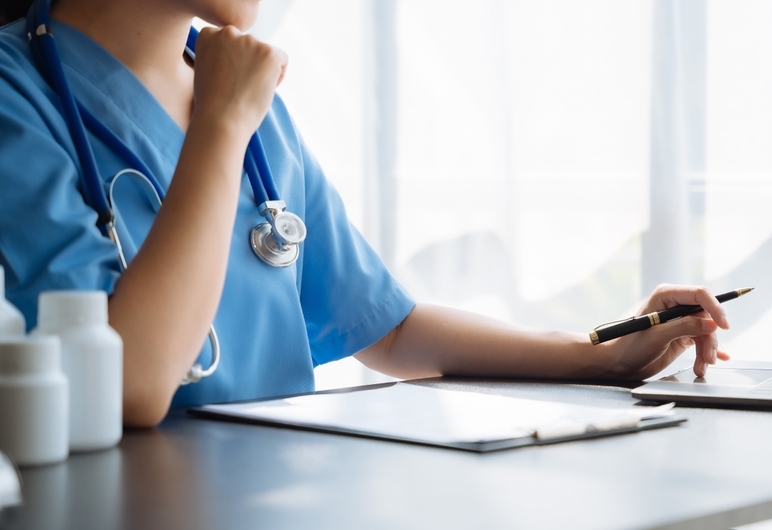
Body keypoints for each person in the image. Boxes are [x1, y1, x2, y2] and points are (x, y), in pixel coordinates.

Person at [0, 0, 730, 428]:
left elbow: (389, 326)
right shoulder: (18, 99)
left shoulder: (246, 103)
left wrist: (596, 354)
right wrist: (220, 129)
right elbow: (128, 387)